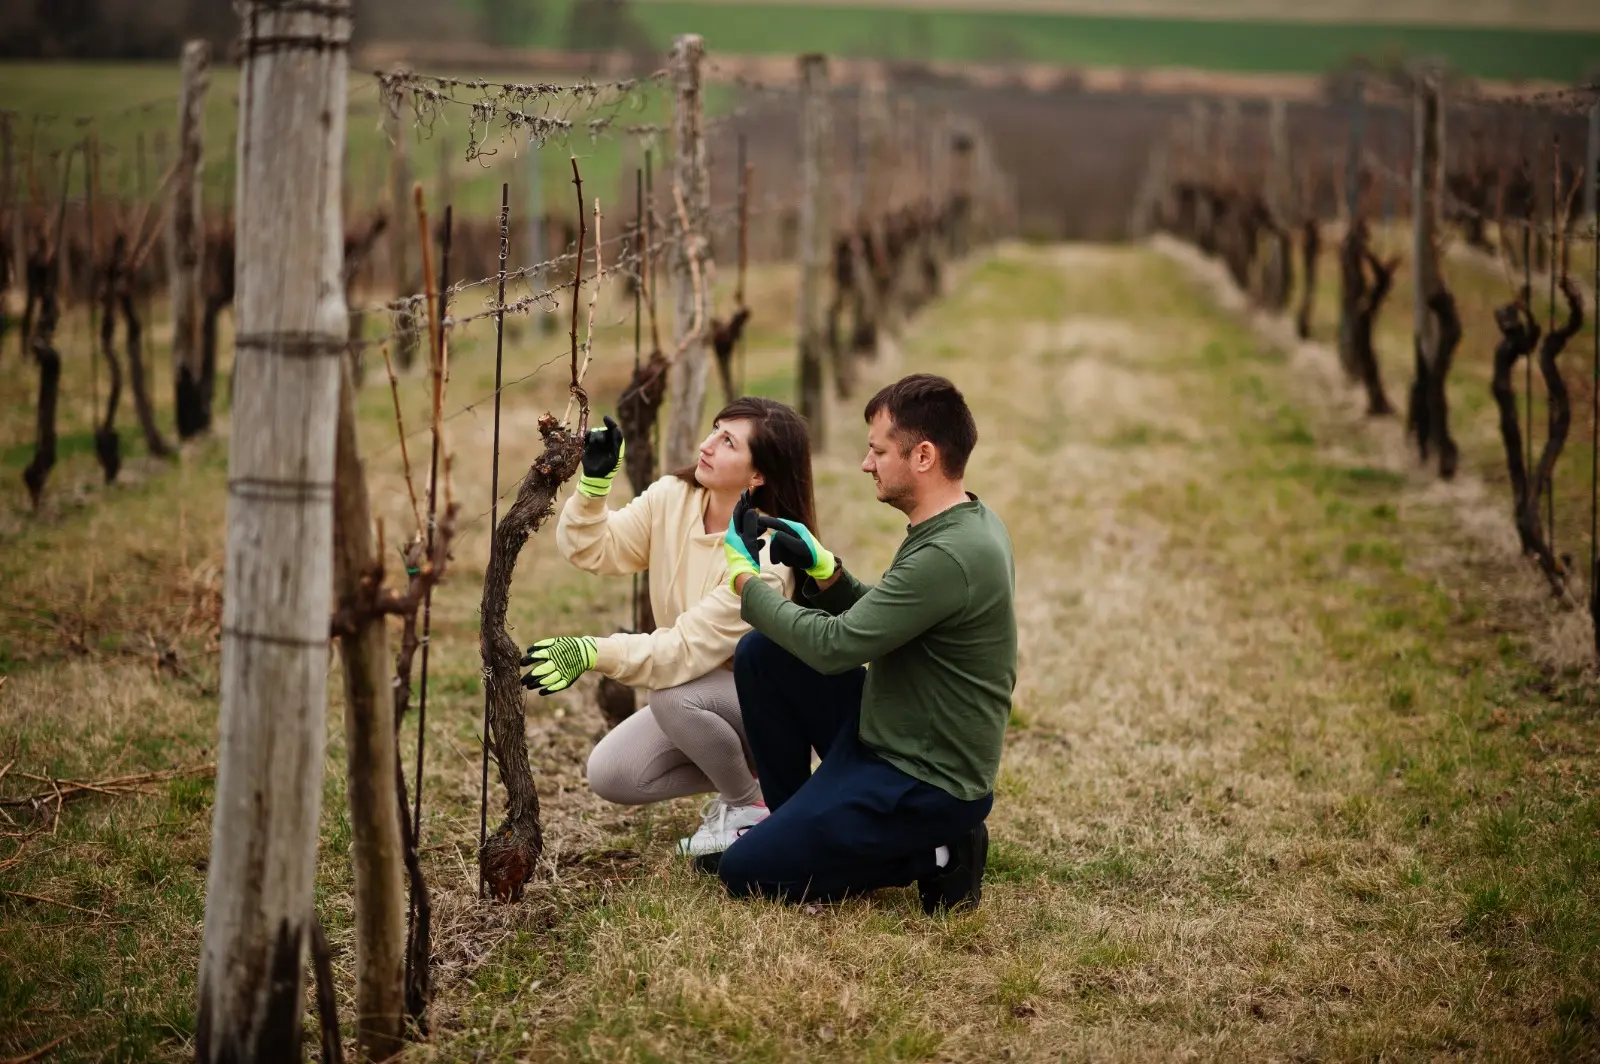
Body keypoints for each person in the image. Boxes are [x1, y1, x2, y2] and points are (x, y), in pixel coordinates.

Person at [717, 374, 1016, 913]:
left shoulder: (949, 554)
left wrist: (747, 584)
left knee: (743, 874)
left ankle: (941, 850)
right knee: (764, 655)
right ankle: (793, 832)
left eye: (878, 451)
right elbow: (891, 617)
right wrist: (825, 571)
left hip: (925, 779)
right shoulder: (963, 521)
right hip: (894, 729)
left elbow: (837, 647)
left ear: (922, 455)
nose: (865, 463)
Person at [521, 397, 814, 860]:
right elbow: (595, 550)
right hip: (704, 699)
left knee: (673, 692)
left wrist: (592, 652)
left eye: (728, 441)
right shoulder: (673, 498)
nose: (707, 444)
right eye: (715, 429)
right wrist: (595, 487)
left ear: (758, 476)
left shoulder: (765, 559)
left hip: (767, 712)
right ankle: (769, 789)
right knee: (613, 772)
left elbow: (679, 652)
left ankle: (749, 807)